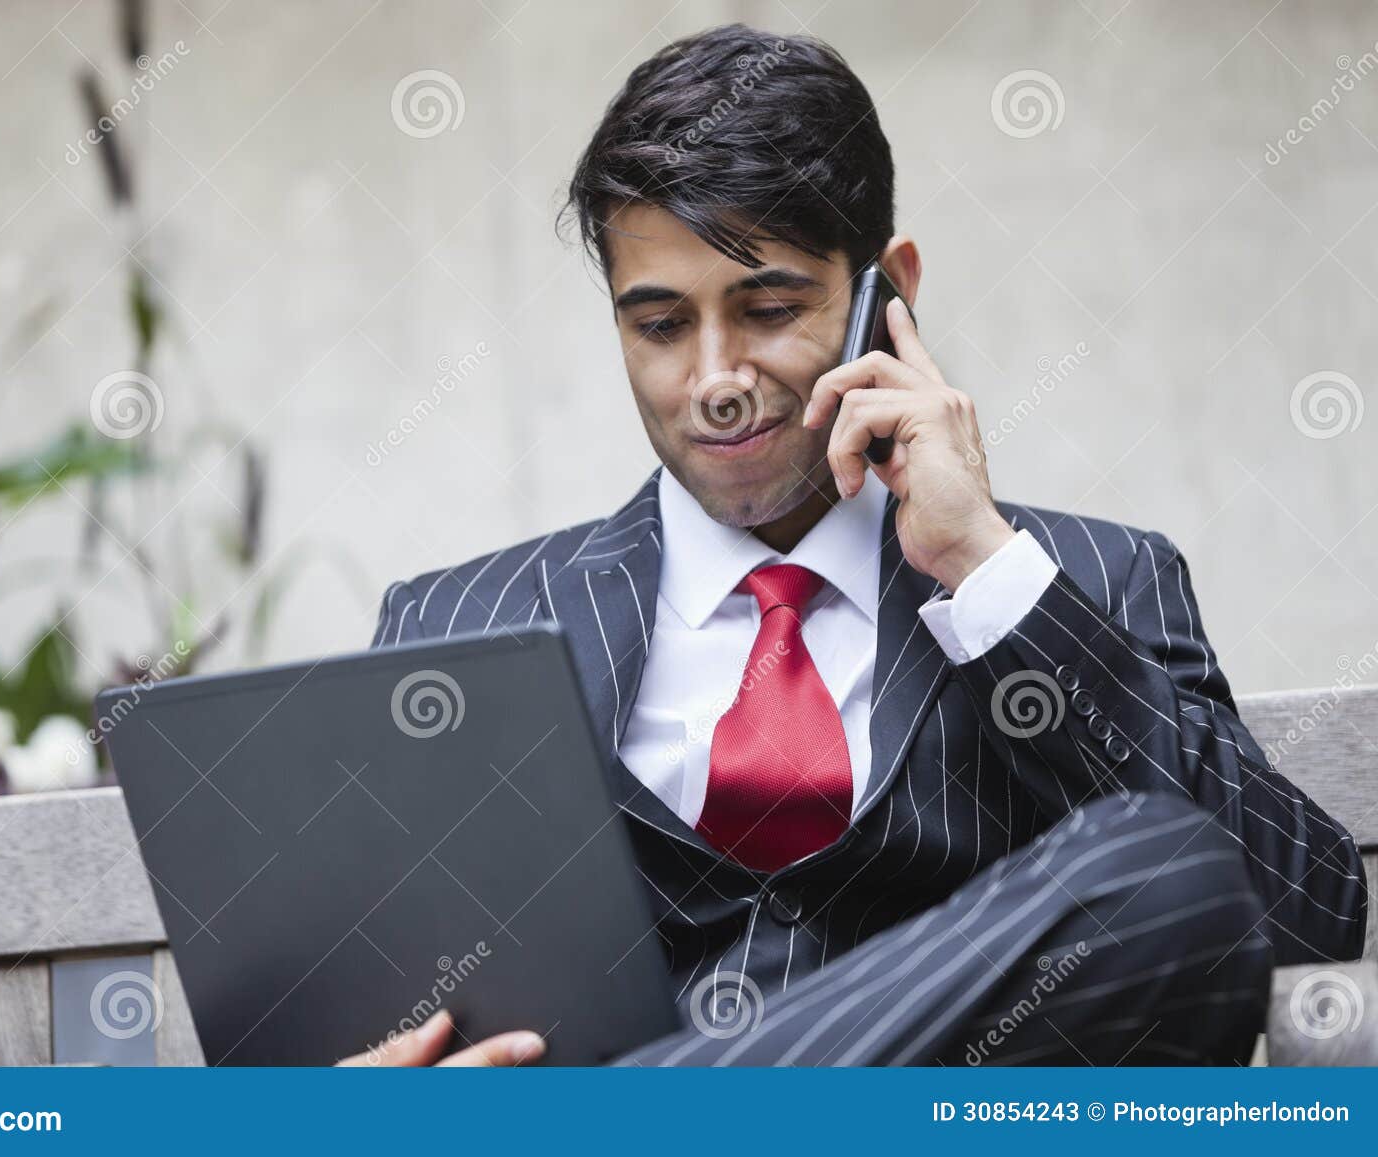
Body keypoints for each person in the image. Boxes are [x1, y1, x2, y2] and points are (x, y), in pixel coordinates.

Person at [354, 23, 1367, 1066]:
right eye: (659, 325)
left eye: (769, 306)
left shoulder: (1087, 582)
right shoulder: (458, 625)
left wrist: (984, 564)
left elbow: (1299, 914)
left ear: (890, 293)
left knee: (1166, 873)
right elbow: (345, 1026)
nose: (714, 378)